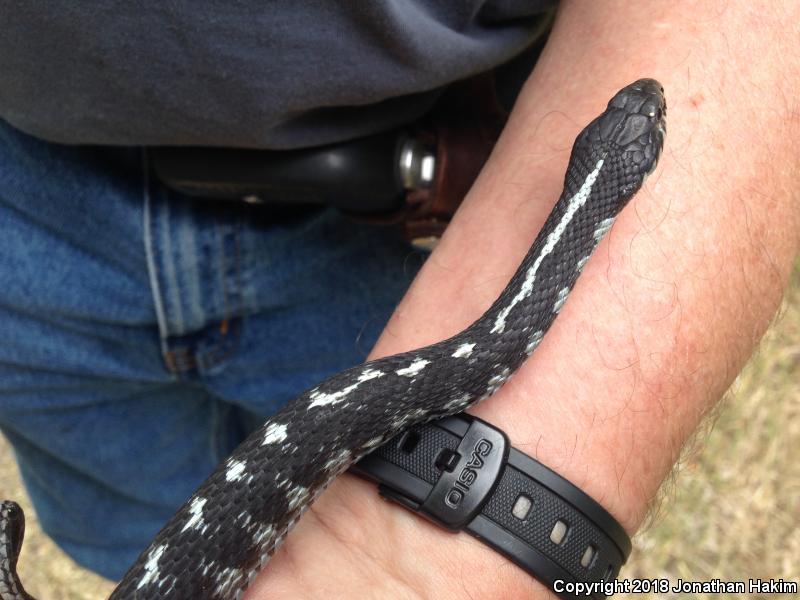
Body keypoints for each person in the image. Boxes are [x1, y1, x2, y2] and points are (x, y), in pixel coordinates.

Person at [1, 1, 798, 598]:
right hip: (27, 217)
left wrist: (477, 547)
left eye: (643, 125)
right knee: (125, 524)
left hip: (380, 223)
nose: (645, 107)